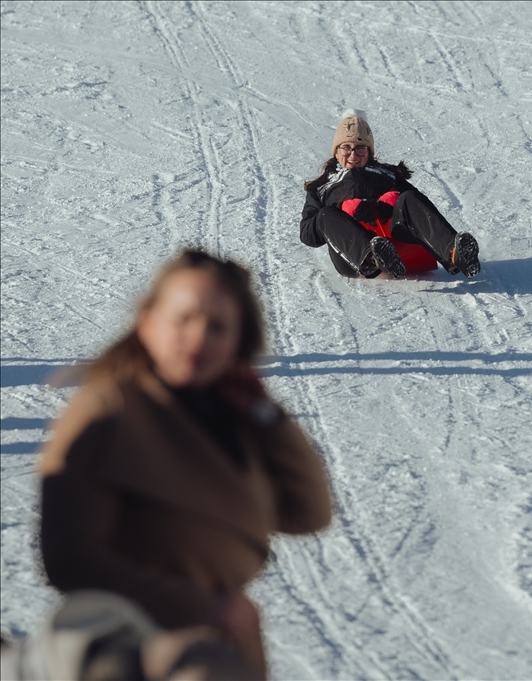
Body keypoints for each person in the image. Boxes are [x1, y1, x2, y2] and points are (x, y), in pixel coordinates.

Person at [37, 249, 334, 677]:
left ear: (237, 345)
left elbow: (308, 513)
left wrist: (266, 415)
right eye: (184, 319)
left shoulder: (225, 419)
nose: (198, 339)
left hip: (227, 647)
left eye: (218, 328)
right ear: (148, 323)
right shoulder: (107, 411)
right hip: (144, 653)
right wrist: (205, 607)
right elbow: (70, 555)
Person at [300, 109, 480, 279]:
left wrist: (394, 198)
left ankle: (454, 253)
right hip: (354, 257)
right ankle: (373, 257)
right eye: (346, 147)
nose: (353, 155)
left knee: (409, 197)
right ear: (336, 151)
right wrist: (340, 209)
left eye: (360, 148)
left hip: (402, 247)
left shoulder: (387, 174)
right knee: (324, 215)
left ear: (369, 151)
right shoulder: (321, 187)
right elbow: (307, 233)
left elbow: (420, 206)